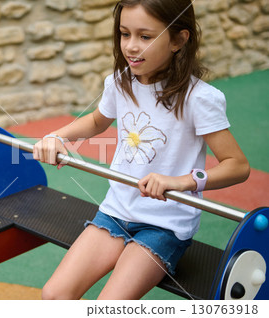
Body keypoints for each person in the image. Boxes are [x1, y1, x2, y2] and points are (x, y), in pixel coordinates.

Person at [33, 0, 250, 300]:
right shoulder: (121, 82)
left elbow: (237, 165)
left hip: (164, 225)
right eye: (125, 34)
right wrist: (56, 136)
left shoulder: (199, 98)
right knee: (53, 295)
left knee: (109, 305)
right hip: (116, 212)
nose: (131, 46)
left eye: (145, 37)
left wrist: (181, 182)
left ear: (178, 40)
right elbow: (97, 121)